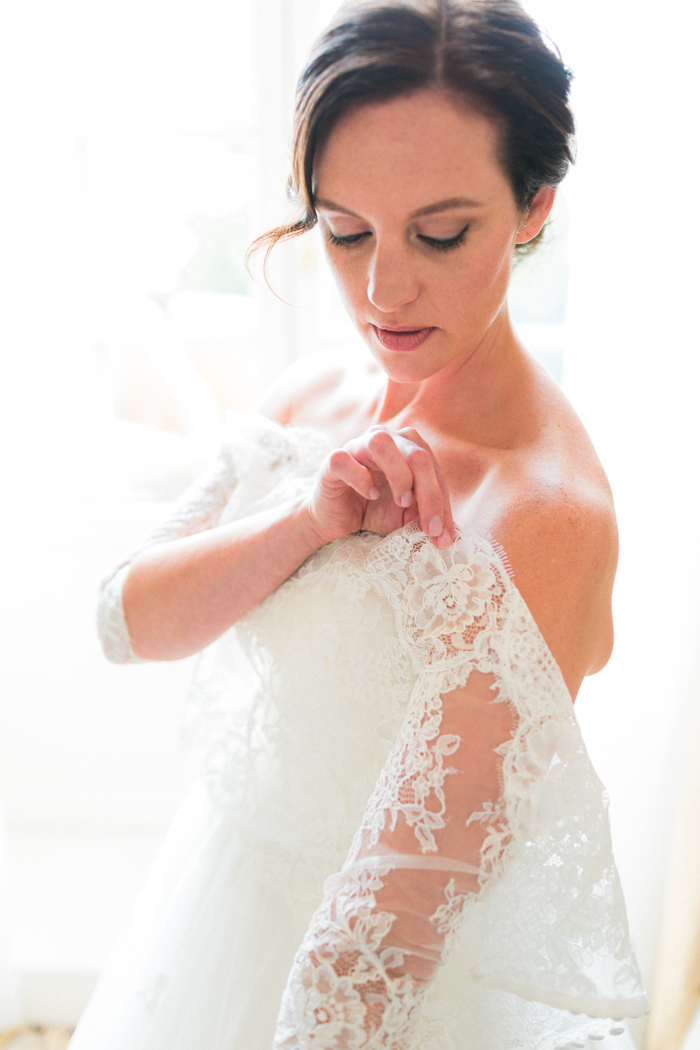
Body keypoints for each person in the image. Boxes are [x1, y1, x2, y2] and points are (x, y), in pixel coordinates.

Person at [69, 1, 649, 1047]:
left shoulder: (542, 513)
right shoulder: (313, 398)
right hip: (225, 907)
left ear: (533, 207)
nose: (383, 289)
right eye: (344, 231)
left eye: (441, 234)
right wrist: (309, 521)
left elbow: (368, 961)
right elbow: (124, 620)